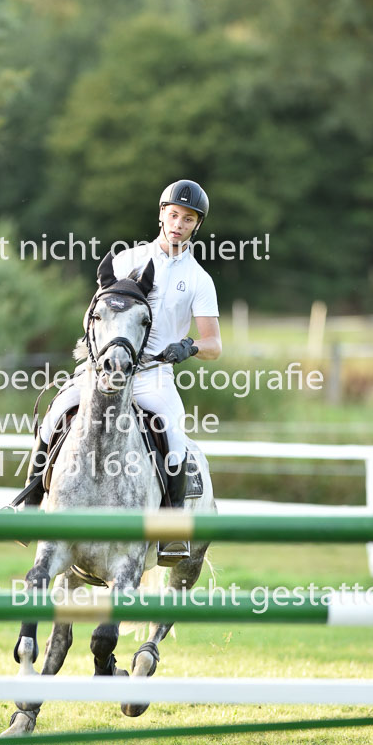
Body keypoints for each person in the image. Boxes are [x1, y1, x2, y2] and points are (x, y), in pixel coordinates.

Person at [20, 178, 222, 563]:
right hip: (103, 370)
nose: (178, 224)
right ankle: (29, 504)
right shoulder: (127, 259)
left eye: (188, 219)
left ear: (197, 225)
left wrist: (188, 347)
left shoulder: (199, 280)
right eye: (173, 215)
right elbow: (92, 315)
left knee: (174, 437)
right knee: (55, 414)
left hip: (153, 375)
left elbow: (215, 344)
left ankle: (172, 529)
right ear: (162, 215)